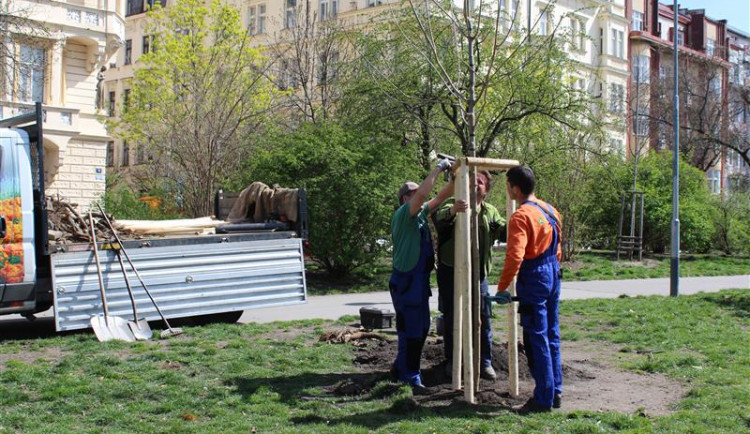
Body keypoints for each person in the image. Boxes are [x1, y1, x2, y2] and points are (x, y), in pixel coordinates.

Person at [495, 165, 563, 414]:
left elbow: (515, 256)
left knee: (536, 337)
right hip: (553, 272)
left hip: (535, 276)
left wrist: (502, 287)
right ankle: (555, 392)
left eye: (508, 185)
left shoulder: (521, 216)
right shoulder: (550, 210)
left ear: (514, 187)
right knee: (552, 334)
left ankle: (542, 399)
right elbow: (558, 247)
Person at [432, 170, 505, 380]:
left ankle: (484, 363)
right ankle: (453, 362)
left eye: (480, 183)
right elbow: (438, 217)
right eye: (471, 182)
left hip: (478, 276)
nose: (475, 186)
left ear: (486, 191)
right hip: (452, 272)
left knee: (483, 319)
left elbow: (503, 230)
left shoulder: (490, 211)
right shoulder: (453, 204)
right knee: (453, 319)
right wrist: (455, 209)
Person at [389, 158, 454, 392]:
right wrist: (438, 167)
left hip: (416, 284)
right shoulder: (404, 214)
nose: (422, 196)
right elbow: (426, 193)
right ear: (406, 198)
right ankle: (411, 376)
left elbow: (440, 197)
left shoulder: (418, 215)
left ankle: (400, 368)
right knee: (414, 331)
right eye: (416, 193)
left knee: (417, 328)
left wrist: (455, 177)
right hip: (407, 285)